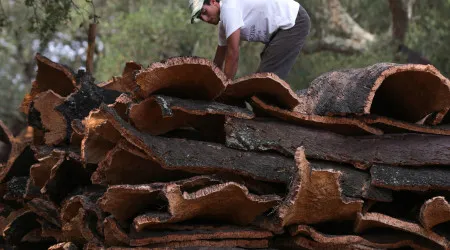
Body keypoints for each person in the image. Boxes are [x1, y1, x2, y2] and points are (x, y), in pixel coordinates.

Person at [189, 0, 311, 80]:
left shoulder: (228, 8)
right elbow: (218, 62)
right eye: (200, 17)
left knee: (265, 83)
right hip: (279, 32)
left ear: (213, 1)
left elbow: (233, 53)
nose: (205, 19)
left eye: (204, 12)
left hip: (293, 21)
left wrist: (224, 89)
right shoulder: (223, 27)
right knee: (259, 82)